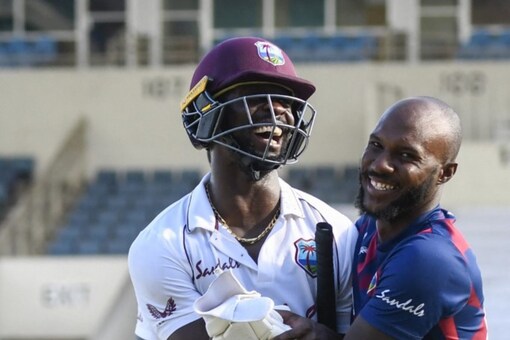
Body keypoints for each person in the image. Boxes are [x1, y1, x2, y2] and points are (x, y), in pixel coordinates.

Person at [128, 36, 358, 340]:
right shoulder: (162, 244)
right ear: (205, 116)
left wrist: (318, 336)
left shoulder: (337, 231)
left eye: (284, 100)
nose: (278, 113)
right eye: (254, 96)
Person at [276, 96, 488, 339]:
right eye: (376, 145)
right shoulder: (369, 227)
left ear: (445, 173)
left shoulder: (429, 259)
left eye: (406, 155)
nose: (380, 165)